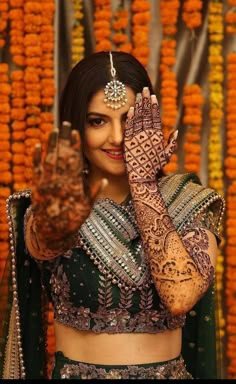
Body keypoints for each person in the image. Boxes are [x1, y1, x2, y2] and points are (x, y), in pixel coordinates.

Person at [0, 51, 225, 380]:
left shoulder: (188, 200)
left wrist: (144, 183)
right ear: (76, 126)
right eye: (97, 121)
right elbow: (42, 242)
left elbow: (180, 296)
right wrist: (55, 226)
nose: (118, 138)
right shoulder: (56, 204)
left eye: (130, 120)